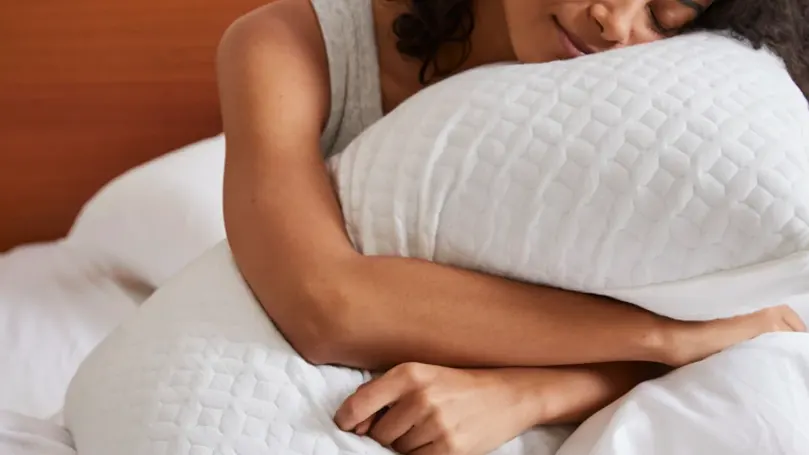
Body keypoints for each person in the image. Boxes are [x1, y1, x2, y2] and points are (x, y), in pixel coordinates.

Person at [216, 0, 809, 453]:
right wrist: (665, 338)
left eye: (664, 13)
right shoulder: (287, 43)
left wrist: (530, 392)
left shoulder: (649, 99)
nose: (614, 20)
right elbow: (326, 305)